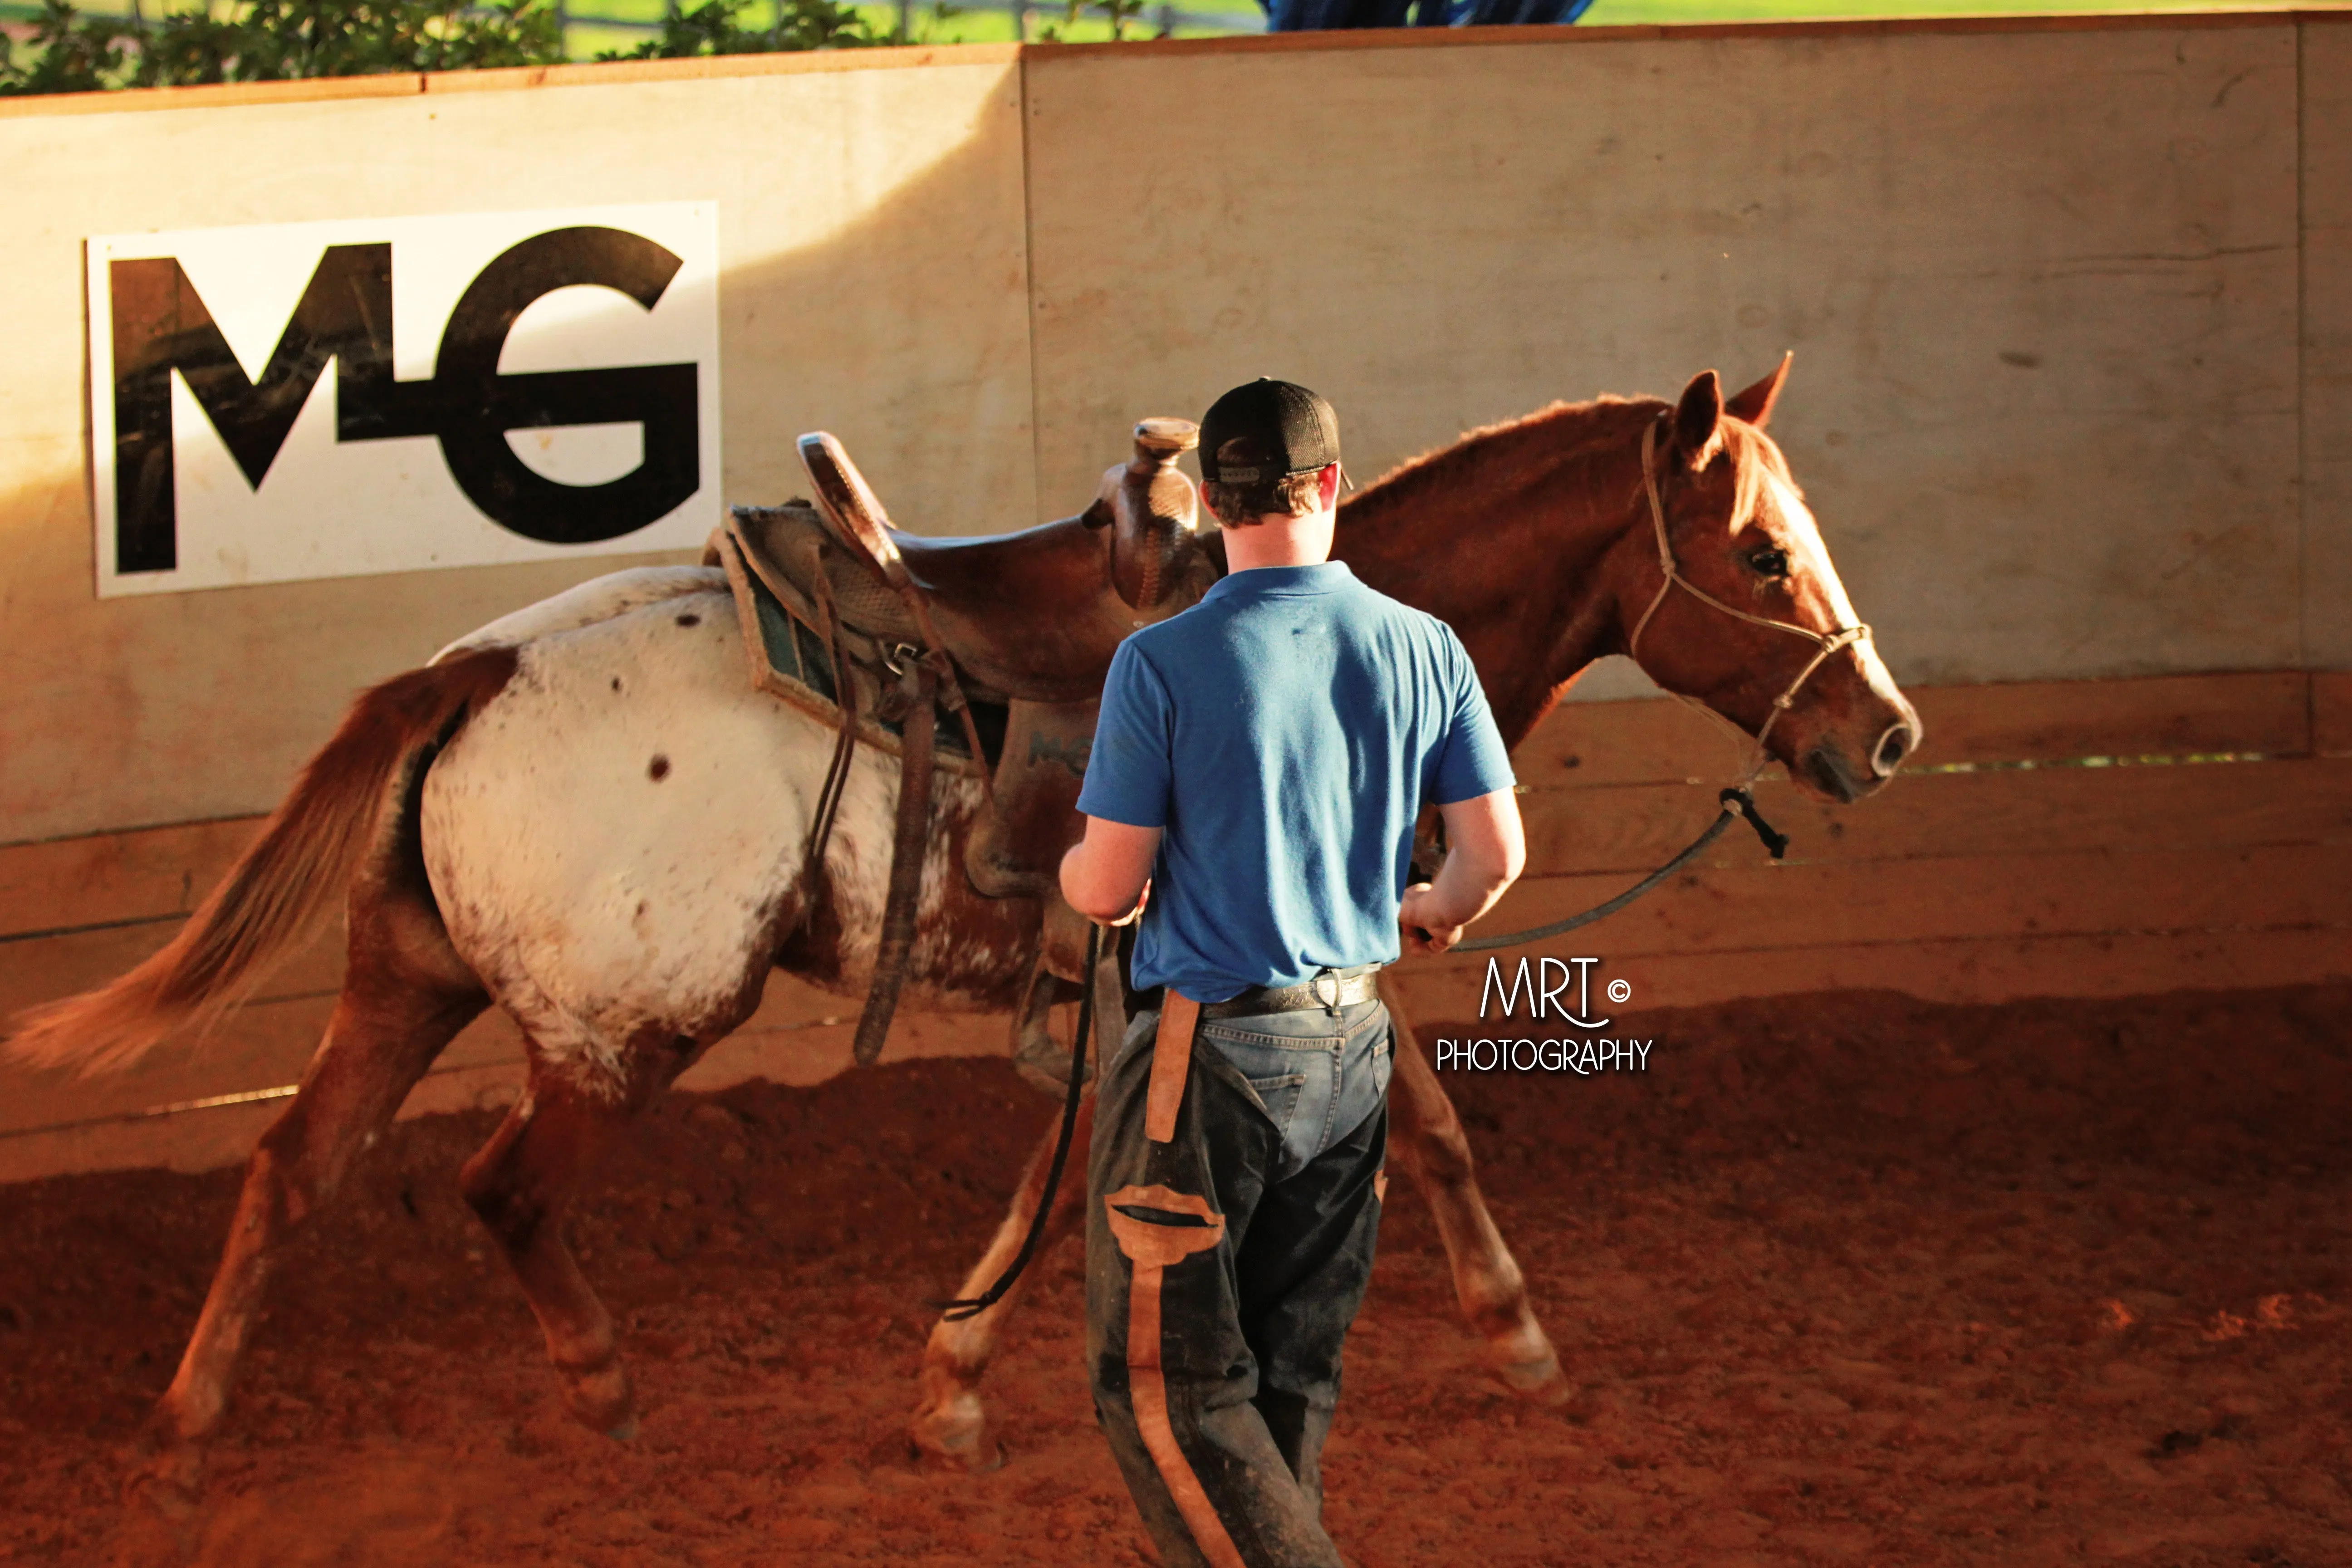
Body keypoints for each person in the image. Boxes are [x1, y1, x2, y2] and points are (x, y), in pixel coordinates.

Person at [1060, 377, 1527, 1567]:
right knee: (1287, 1384)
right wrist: (1428, 909)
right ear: (1333, 488)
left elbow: (1109, 889)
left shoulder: (1160, 664)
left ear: (1211, 504)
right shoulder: (1428, 647)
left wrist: (1077, 880)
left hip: (1208, 1062)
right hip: (1354, 1056)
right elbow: (1494, 857)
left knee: (1167, 1389)